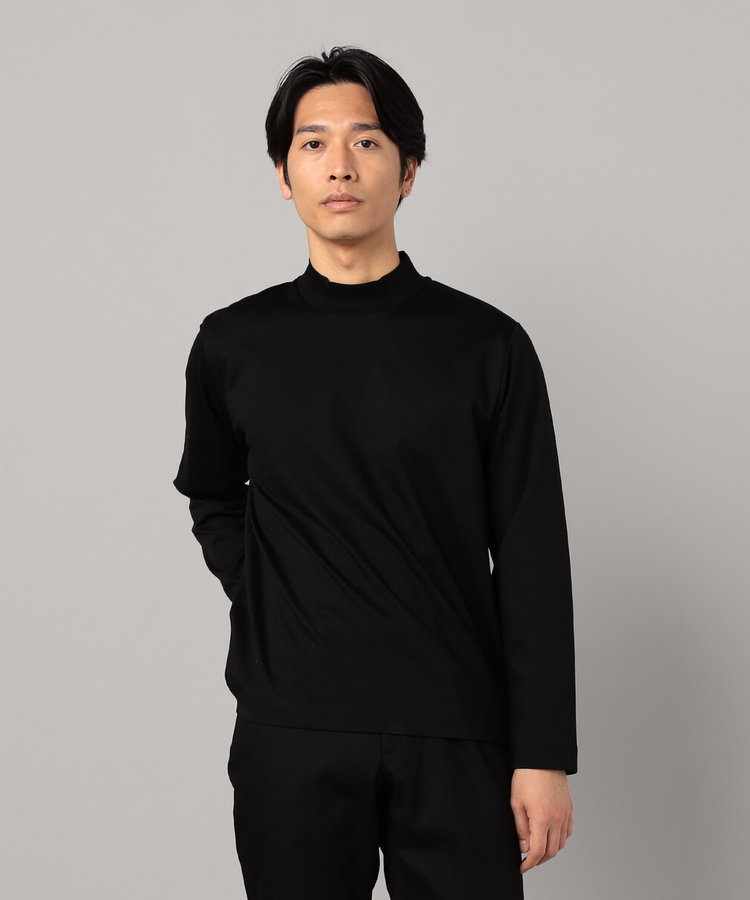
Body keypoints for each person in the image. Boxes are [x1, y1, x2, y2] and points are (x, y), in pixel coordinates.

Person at [173, 44, 577, 900]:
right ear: (283, 175)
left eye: (367, 141)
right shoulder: (233, 345)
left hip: (456, 728)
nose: (340, 165)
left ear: (409, 169)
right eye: (313, 143)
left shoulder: (486, 346)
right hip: (292, 728)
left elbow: (533, 555)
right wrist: (272, 594)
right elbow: (211, 494)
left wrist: (542, 754)